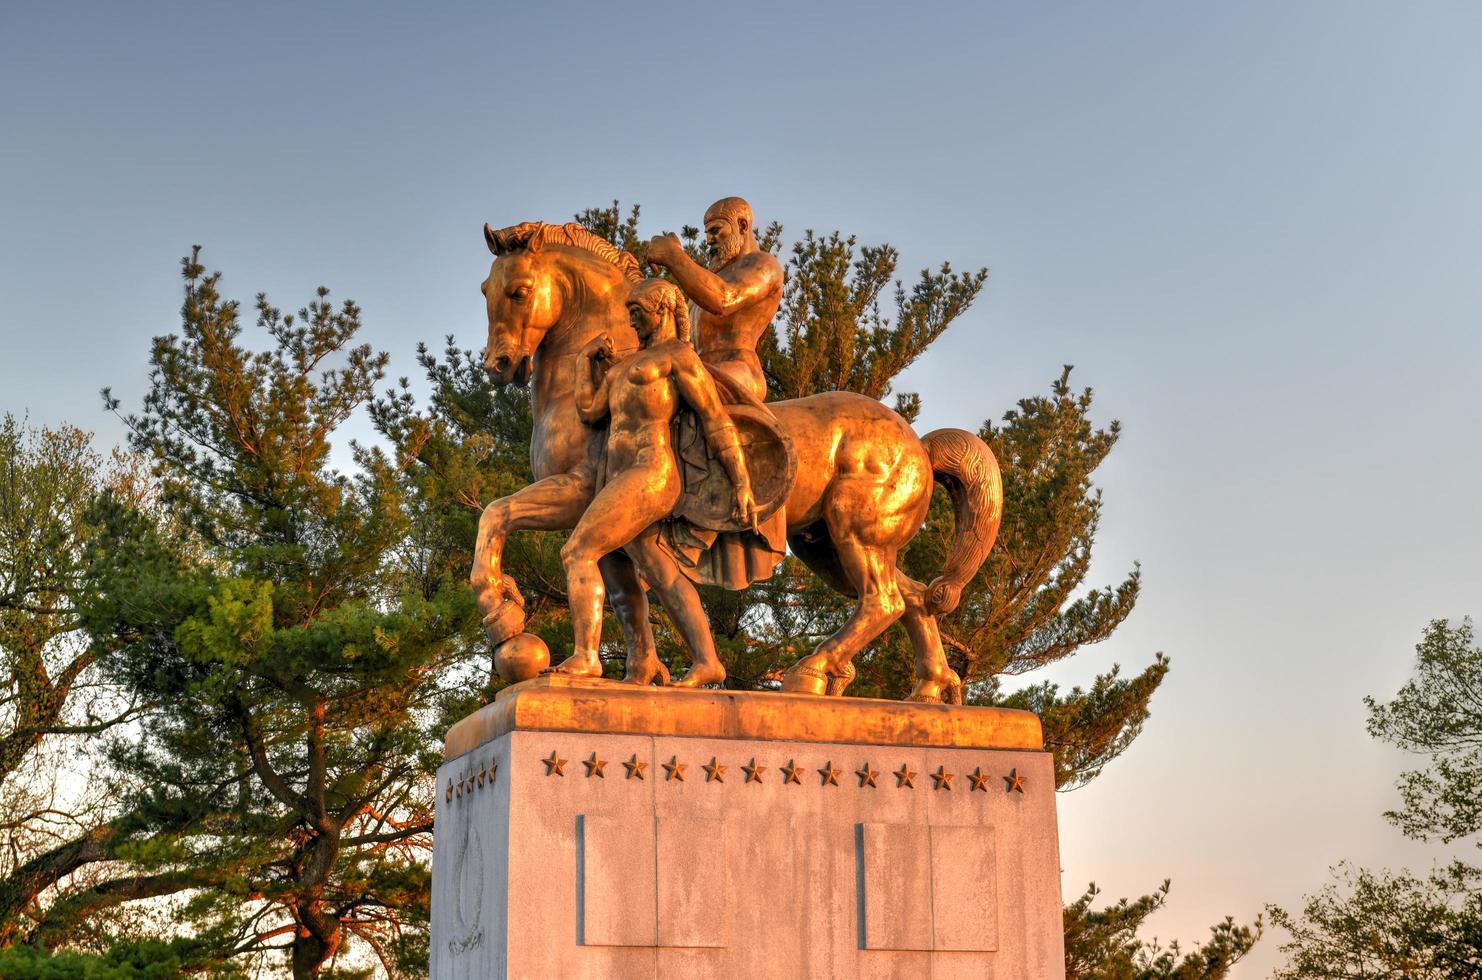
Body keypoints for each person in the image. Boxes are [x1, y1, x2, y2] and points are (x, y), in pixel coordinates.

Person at [551, 279, 755, 687]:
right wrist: (582, 363)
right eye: (629, 312)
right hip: (619, 474)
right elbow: (590, 410)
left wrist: (741, 481)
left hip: (652, 470)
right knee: (657, 570)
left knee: (578, 550)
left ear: (661, 309)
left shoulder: (678, 356)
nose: (632, 320)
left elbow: (715, 418)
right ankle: (706, 659)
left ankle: (586, 656)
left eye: (638, 312)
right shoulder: (625, 364)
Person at [644, 196, 782, 403]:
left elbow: (724, 299)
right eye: (707, 233)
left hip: (737, 370)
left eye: (715, 230)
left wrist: (674, 257)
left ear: (742, 226)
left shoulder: (763, 264)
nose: (709, 240)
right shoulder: (710, 282)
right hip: (697, 368)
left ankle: (722, 435)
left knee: (681, 396)